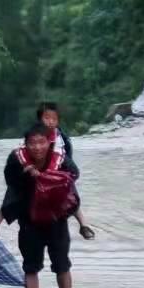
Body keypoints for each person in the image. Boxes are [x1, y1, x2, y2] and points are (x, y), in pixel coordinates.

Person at [0, 123, 80, 288]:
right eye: (32, 143)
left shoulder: (61, 162)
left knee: (62, 265)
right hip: (29, 223)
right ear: (26, 144)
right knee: (30, 267)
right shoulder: (17, 162)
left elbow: (72, 195)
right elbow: (11, 194)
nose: (37, 147)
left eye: (41, 142)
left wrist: (83, 223)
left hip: (57, 222)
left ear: (49, 143)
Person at [36, 102, 94, 239]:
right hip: (39, 172)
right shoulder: (33, 137)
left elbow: (72, 166)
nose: (50, 122)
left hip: (59, 170)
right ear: (39, 120)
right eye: (46, 118)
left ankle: (83, 225)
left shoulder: (61, 137)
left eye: (54, 119)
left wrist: (62, 180)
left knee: (70, 192)